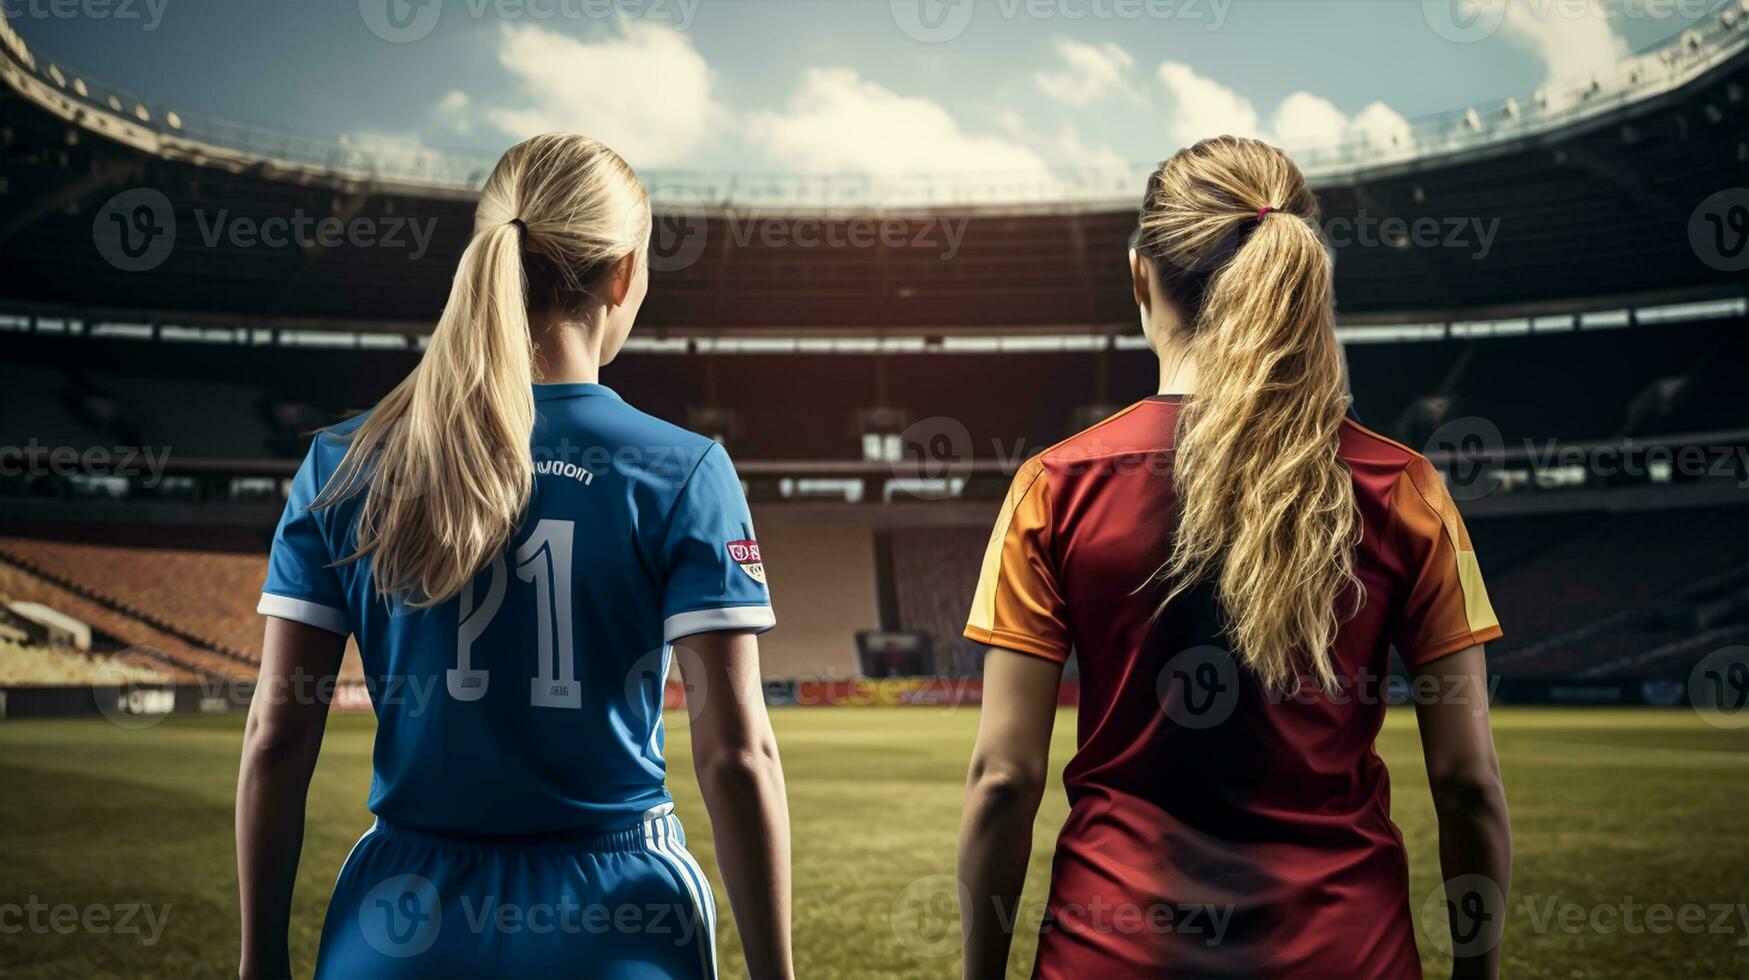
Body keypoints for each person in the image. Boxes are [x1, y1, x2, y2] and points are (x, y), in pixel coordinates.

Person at [236, 134, 794, 980]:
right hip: (618, 915)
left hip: (399, 918)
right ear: (622, 275)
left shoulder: (343, 461)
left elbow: (277, 738)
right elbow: (735, 754)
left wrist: (259, 963)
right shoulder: (682, 470)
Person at [956, 136, 1512, 979]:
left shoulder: (1053, 487)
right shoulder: (1404, 487)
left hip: (1112, 954)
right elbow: (1466, 784)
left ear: (1139, 274)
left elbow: (1003, 779)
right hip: (1345, 953)